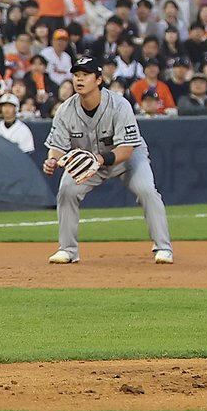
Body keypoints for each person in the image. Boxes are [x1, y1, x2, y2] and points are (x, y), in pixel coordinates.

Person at [41, 56, 172, 264]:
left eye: (85, 75)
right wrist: (51, 160)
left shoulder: (120, 105)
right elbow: (57, 147)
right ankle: (67, 250)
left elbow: (127, 150)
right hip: (88, 160)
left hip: (126, 158)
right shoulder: (65, 110)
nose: (79, 79)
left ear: (99, 79)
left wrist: (99, 159)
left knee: (146, 190)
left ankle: (163, 247)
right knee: (66, 191)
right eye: (76, 75)